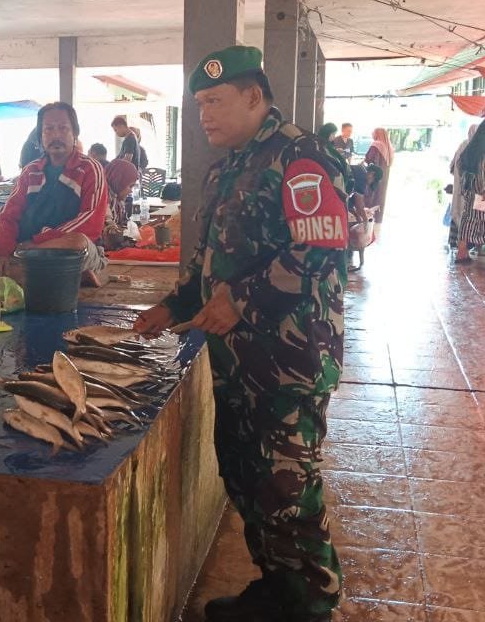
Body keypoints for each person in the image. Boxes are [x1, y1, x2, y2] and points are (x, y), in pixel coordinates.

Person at [134, 46, 347, 622]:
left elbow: (321, 249)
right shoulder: (226, 167)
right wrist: (172, 304)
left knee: (287, 489)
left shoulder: (300, 156)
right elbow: (210, 259)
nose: (204, 115)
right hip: (236, 359)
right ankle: (277, 589)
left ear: (254, 96)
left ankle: (312, 602)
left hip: (290, 358)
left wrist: (240, 299)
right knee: (246, 478)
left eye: (215, 101)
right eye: (199, 104)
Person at [0, 101, 110, 287]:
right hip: (29, 249)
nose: (56, 135)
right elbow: (9, 214)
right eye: (49, 129)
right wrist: (3, 250)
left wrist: (36, 244)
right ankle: (57, 276)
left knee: (78, 241)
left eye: (63, 128)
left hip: (68, 249)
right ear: (41, 136)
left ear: (75, 133)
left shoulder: (90, 168)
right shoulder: (30, 171)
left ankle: (30, 272)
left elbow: (90, 220)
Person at [454, 118, 485, 262]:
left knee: (470, 220)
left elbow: (459, 165)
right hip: (483, 192)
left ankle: (462, 252)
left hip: (471, 189)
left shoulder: (472, 147)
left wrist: (468, 184)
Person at [447, 124, 478, 250]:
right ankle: (471, 247)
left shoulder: (462, 145)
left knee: (458, 214)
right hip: (475, 191)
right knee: (474, 217)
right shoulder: (481, 147)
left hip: (459, 191)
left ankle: (457, 245)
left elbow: (451, 167)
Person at [364, 127, 393, 238]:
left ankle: (368, 215)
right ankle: (378, 217)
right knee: (381, 195)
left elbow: (369, 159)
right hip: (384, 176)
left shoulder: (376, 145)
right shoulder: (389, 147)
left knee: (370, 194)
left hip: (374, 175)